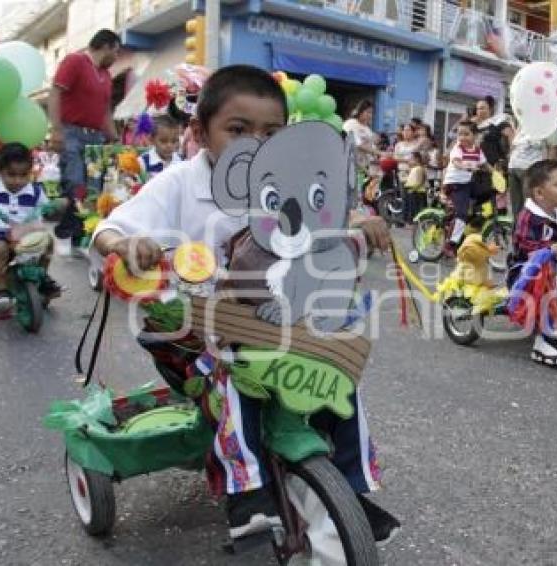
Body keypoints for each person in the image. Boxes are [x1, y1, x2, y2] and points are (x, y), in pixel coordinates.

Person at [93, 65, 400, 543]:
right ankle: (248, 490)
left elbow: (325, 221)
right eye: (237, 130)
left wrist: (359, 219)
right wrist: (127, 245)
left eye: (271, 133)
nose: (256, 144)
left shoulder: (284, 185)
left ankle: (352, 488)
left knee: (341, 366)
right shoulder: (178, 184)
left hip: (269, 322)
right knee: (233, 370)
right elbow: (111, 228)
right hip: (188, 335)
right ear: (199, 133)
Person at [509, 159, 557, 368]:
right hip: (526, 274)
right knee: (552, 283)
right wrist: (551, 249)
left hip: (555, 266)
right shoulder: (529, 218)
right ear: (539, 193)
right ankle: (543, 342)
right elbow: (529, 248)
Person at [0, 143, 64, 315]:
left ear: (30, 172)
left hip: (27, 231)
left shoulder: (35, 191)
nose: (18, 181)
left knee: (48, 242)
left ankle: (42, 278)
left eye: (23, 175)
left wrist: (53, 208)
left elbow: (46, 208)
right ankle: (1, 290)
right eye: (11, 175)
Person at [48, 29, 121, 199]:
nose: (117, 57)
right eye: (116, 51)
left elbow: (106, 111)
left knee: (94, 187)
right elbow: (55, 92)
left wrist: (116, 139)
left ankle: (89, 224)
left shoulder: (106, 75)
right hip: (71, 134)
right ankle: (73, 224)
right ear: (105, 47)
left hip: (96, 138)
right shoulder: (75, 61)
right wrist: (56, 129)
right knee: (75, 182)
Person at [442, 120, 489, 257]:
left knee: (485, 193)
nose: (462, 137)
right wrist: (466, 166)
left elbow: (485, 165)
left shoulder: (477, 150)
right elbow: (456, 162)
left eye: (466, 134)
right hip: (455, 183)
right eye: (459, 134)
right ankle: (450, 244)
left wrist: (497, 173)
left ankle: (463, 224)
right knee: (462, 214)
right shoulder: (457, 148)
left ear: (475, 135)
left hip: (467, 183)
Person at [508, 127, 557, 219]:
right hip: (513, 167)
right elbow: (514, 144)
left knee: (530, 206)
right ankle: (517, 231)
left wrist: (547, 172)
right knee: (516, 208)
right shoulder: (523, 122)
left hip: (531, 170)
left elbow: (553, 150)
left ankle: (530, 231)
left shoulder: (550, 123)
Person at [343, 100, 382, 180]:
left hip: (362, 167)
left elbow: (372, 148)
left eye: (371, 113)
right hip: (349, 166)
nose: (370, 116)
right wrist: (381, 153)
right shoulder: (351, 124)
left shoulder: (367, 129)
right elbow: (359, 145)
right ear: (360, 111)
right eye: (367, 112)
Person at [475, 95, 515, 171]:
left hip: (494, 166)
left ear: (490, 109)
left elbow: (511, 135)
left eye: (482, 108)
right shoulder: (476, 126)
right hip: (478, 166)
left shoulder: (497, 122)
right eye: (477, 109)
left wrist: (510, 155)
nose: (479, 111)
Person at [139, 115, 182, 179]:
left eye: (174, 141)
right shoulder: (143, 162)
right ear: (152, 140)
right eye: (163, 141)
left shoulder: (178, 161)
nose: (169, 145)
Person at [403, 152, 427, 223]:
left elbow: (419, 181)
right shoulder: (414, 169)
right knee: (412, 208)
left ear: (417, 159)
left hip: (417, 191)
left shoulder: (419, 168)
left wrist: (413, 189)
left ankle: (417, 221)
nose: (409, 161)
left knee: (416, 208)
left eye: (411, 159)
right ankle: (412, 220)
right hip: (412, 190)